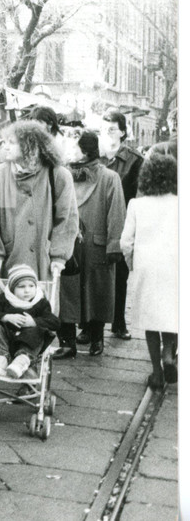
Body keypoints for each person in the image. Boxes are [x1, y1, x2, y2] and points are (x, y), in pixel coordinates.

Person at [55, 131, 126, 358]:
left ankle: (97, 338)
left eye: (73, 147)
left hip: (97, 246)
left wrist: (115, 245)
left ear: (84, 151)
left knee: (98, 293)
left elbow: (117, 213)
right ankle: (67, 342)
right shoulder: (63, 174)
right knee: (66, 292)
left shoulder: (109, 178)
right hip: (68, 244)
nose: (68, 151)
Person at [0, 120, 79, 284]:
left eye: (12, 143)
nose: (5, 146)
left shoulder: (58, 175)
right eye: (5, 142)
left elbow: (67, 218)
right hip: (8, 263)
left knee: (41, 307)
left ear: (31, 145)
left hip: (44, 263)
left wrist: (59, 255)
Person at [119, 147, 178, 389]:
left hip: (147, 267)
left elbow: (125, 241)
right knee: (173, 314)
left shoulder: (136, 205)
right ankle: (169, 353)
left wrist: (133, 263)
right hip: (176, 266)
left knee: (151, 319)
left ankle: (156, 373)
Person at [98, 110, 143, 341]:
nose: (106, 133)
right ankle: (91, 326)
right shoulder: (93, 155)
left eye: (112, 129)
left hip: (122, 223)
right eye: (103, 128)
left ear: (123, 132)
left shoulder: (134, 160)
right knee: (94, 273)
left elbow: (137, 196)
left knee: (120, 274)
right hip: (95, 221)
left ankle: (118, 322)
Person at [0, 265, 60, 378]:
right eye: (21, 287)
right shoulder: (4, 299)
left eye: (31, 286)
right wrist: (6, 317)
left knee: (37, 330)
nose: (27, 290)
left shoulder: (41, 302)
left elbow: (54, 322)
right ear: (13, 288)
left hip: (29, 345)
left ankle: (22, 361)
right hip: (7, 341)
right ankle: (0, 359)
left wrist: (34, 321)